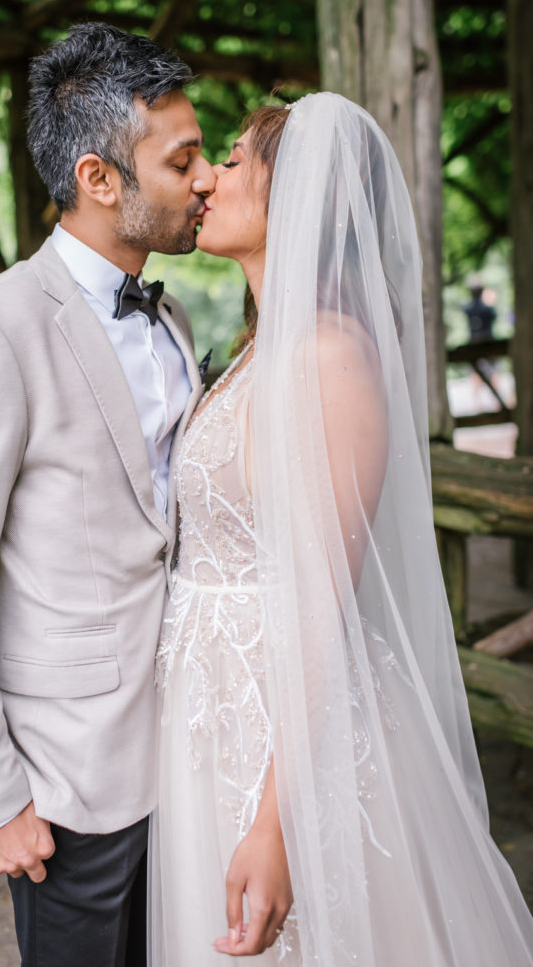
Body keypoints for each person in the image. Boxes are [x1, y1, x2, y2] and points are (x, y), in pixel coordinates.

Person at [151, 94, 533, 965]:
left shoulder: (329, 357)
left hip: (289, 734)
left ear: (301, 196)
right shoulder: (258, 349)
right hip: (218, 714)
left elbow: (321, 602)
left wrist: (280, 825)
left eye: (237, 159)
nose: (207, 178)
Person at [0, 22, 215, 967]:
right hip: (69, 780)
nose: (205, 179)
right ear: (100, 178)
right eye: (183, 159)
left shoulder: (175, 312)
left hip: (193, 752)